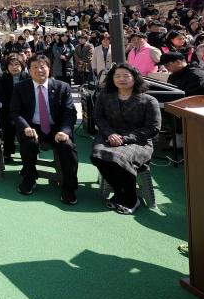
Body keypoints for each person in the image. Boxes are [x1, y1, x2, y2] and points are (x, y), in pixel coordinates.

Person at [90, 64, 161, 215]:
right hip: (108, 136)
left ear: (135, 78)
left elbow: (153, 128)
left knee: (119, 157)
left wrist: (125, 138)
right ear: (112, 79)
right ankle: (124, 194)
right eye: (117, 76)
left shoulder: (149, 100)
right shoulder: (104, 96)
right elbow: (98, 117)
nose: (121, 79)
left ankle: (130, 200)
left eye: (126, 76)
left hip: (138, 141)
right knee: (97, 155)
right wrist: (109, 133)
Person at [10, 55, 78, 204]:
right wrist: (25, 127)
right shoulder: (21, 87)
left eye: (42, 67)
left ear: (49, 69)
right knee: (27, 142)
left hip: (57, 128)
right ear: (29, 70)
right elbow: (15, 112)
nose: (39, 70)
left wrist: (65, 131)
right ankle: (29, 177)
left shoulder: (62, 87)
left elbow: (70, 112)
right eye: (34, 67)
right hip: (32, 127)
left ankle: (69, 186)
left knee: (67, 147)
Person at [0, 54, 28, 164]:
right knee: (8, 123)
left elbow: (29, 97)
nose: (14, 67)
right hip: (8, 108)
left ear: (22, 65)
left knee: (22, 125)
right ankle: (7, 153)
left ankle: (26, 153)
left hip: (25, 109)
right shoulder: (0, 77)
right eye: (11, 64)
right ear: (7, 66)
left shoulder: (28, 77)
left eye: (17, 64)